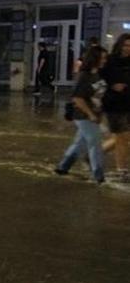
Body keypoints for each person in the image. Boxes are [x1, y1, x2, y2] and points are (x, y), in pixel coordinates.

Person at [54, 46, 108, 183]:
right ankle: (99, 176)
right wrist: (90, 114)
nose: (104, 60)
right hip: (84, 116)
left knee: (80, 143)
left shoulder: (97, 74)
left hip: (93, 115)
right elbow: (77, 98)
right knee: (95, 144)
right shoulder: (84, 76)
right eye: (102, 58)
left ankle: (63, 167)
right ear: (94, 59)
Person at [101, 33, 130, 182]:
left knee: (123, 137)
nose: (128, 48)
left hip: (128, 102)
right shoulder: (110, 61)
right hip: (114, 104)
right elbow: (98, 78)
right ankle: (122, 170)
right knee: (123, 136)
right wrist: (111, 85)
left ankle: (96, 154)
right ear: (119, 45)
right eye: (125, 45)